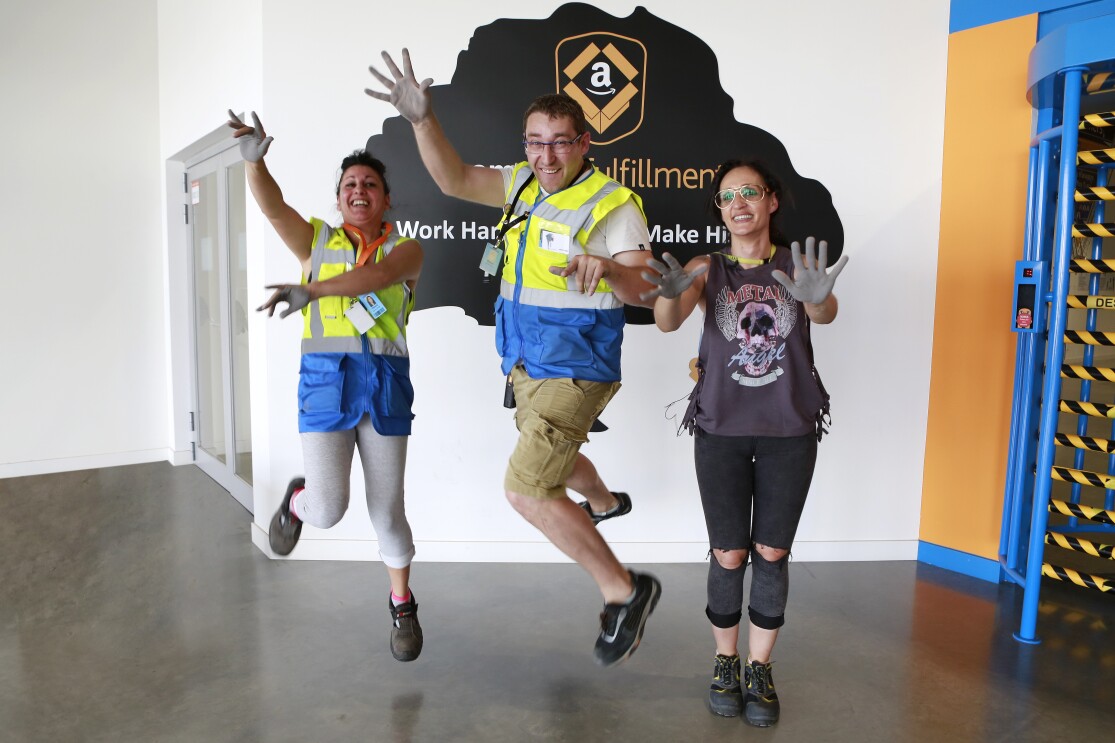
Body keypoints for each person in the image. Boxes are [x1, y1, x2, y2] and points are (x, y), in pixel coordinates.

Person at [364, 50, 661, 667]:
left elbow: (646, 291)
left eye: (558, 144)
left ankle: (625, 592)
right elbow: (451, 179)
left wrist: (607, 268)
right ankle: (605, 504)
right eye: (534, 143)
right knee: (551, 454)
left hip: (577, 366)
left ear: (583, 143)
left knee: (527, 488)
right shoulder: (520, 184)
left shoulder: (614, 205)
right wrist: (422, 119)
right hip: (524, 362)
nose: (544, 157)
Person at [642, 159, 847, 725]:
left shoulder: (794, 264)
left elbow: (823, 314)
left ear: (771, 201)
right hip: (720, 429)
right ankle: (725, 661)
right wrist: (666, 296)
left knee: (772, 553)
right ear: (720, 209)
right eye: (727, 196)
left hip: (790, 429)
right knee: (729, 552)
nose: (738, 203)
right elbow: (668, 321)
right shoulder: (707, 268)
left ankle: (761, 667)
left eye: (749, 192)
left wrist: (817, 296)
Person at [227, 110, 426, 662]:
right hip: (324, 390)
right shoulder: (315, 241)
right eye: (349, 185)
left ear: (386, 199)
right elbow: (272, 207)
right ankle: (297, 500)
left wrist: (314, 292)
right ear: (339, 200)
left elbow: (378, 280)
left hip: (385, 393)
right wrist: (256, 163)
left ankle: (402, 604)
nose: (359, 191)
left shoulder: (405, 252)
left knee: (387, 512)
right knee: (329, 509)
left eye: (370, 185)